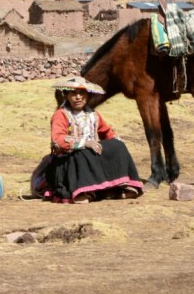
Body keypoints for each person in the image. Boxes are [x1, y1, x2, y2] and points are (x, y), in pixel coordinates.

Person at [42, 76, 144, 204]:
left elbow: (107, 132)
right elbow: (58, 140)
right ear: (66, 95)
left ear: (88, 96)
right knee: (82, 152)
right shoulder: (61, 114)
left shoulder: (93, 115)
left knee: (118, 146)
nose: (78, 97)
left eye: (82, 93)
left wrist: (116, 146)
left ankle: (119, 186)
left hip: (89, 158)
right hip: (67, 162)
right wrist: (85, 143)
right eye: (73, 93)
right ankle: (82, 191)